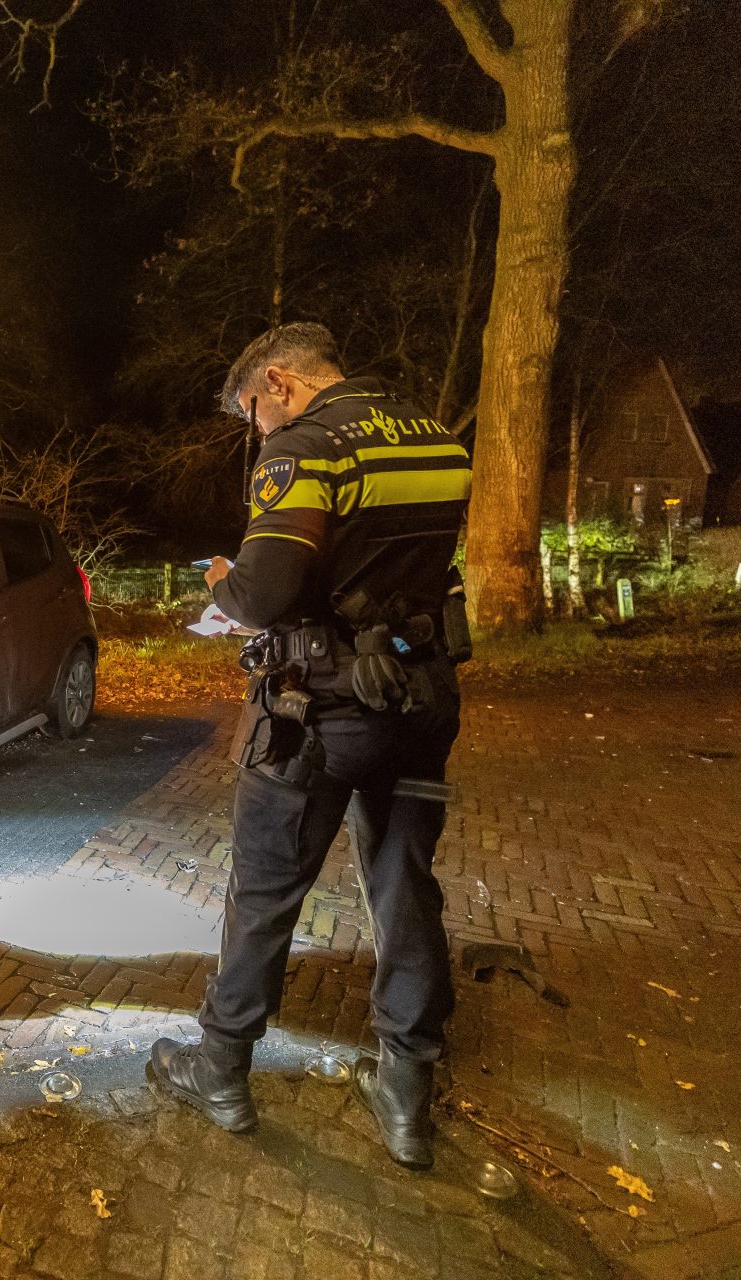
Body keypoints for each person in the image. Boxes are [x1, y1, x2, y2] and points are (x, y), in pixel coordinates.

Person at [147, 321, 472, 1170]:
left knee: (264, 892)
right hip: (422, 697)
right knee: (404, 887)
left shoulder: (307, 448)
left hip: (320, 712)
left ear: (281, 383)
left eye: (254, 411)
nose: (258, 431)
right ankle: (406, 1094)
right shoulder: (433, 435)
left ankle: (220, 1070)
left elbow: (265, 591)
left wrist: (222, 577)